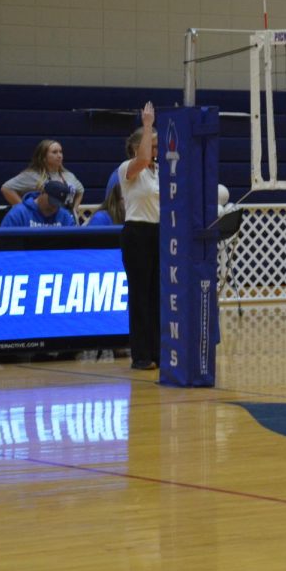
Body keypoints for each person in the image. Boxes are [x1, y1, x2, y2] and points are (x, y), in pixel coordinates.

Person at [119, 103, 161, 371]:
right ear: (139, 147)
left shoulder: (158, 173)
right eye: (153, 145)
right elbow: (144, 159)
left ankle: (157, 351)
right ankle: (141, 355)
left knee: (156, 295)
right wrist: (147, 125)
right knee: (140, 296)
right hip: (137, 234)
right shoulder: (129, 169)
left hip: (158, 233)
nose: (156, 151)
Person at [2, 139, 84, 210]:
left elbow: (81, 190)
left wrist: (75, 209)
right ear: (43, 157)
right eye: (54, 152)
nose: (59, 155)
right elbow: (6, 188)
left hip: (65, 219)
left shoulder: (69, 175)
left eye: (60, 152)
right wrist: (24, 210)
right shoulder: (31, 175)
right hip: (42, 221)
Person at [0, 179, 78, 227]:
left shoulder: (64, 215)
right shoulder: (18, 213)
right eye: (52, 202)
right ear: (42, 193)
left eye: (58, 204)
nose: (54, 207)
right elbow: (4, 243)